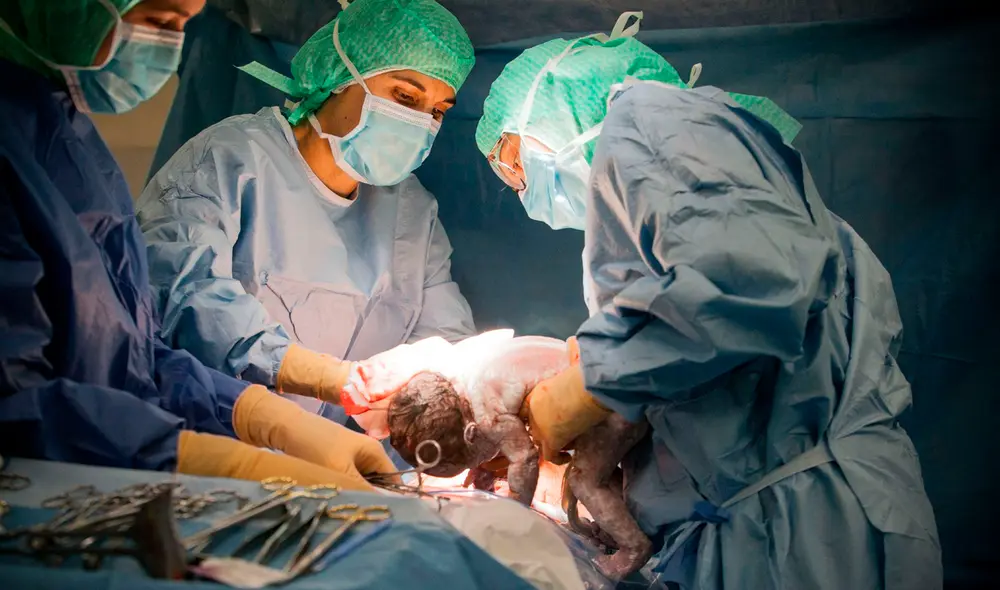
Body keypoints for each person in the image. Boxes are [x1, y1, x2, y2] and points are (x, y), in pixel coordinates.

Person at [475, 12, 942, 590]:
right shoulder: (675, 187)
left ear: (555, 103)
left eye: (510, 161)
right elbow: (710, 349)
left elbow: (749, 283)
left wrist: (585, 384)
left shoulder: (650, 116)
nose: (521, 188)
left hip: (809, 532)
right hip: (765, 522)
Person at [0, 0, 398, 490]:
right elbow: (17, 402)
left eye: (183, 26)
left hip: (97, 467)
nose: (169, 45)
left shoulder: (67, 136)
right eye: (158, 20)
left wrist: (253, 413)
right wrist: (195, 456)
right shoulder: (18, 143)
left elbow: (131, 357)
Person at [135, 0, 476, 421]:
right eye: (405, 96)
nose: (421, 123)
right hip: (214, 437)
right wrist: (329, 379)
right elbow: (187, 293)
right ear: (339, 77)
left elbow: (445, 335)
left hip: (347, 454)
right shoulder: (231, 159)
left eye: (438, 111)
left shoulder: (412, 211)